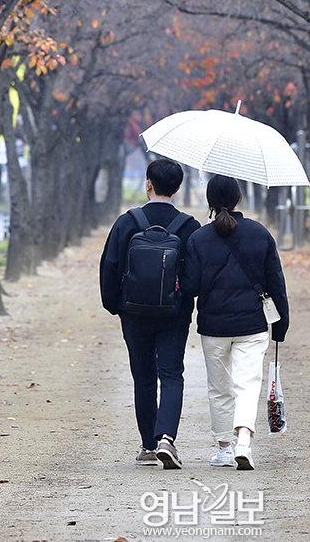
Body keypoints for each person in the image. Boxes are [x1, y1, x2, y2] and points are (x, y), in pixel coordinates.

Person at [182, 174, 289, 471]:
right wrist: (281, 323)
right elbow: (276, 283)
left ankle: (224, 449)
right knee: (247, 384)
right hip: (252, 324)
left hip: (213, 326)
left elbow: (190, 287)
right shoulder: (259, 234)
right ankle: (244, 442)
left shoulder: (198, 238)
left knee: (219, 388)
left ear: (209, 201)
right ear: (238, 199)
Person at [99, 158, 200, 470]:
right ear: (178, 188)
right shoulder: (188, 226)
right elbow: (195, 277)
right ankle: (167, 437)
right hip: (174, 314)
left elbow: (109, 266)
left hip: (134, 313)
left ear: (148, 184)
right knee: (171, 374)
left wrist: (116, 306)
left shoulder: (126, 222)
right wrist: (184, 301)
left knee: (143, 376)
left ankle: (147, 445)